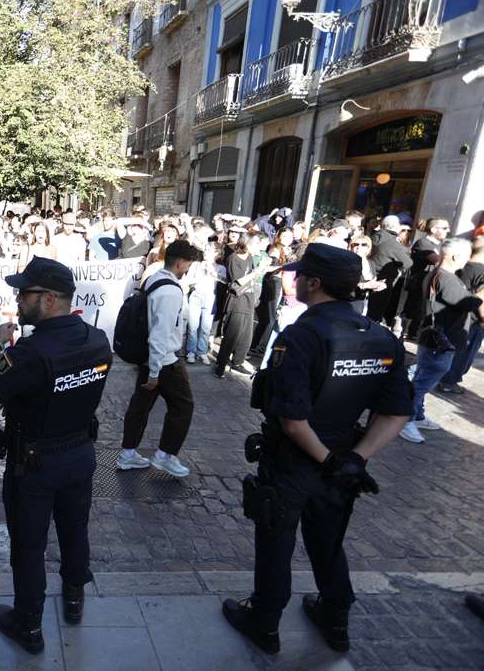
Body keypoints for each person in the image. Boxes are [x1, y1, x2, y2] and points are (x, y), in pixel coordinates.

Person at [222, 243, 412, 655]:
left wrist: (330, 459)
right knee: (328, 540)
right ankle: (335, 616)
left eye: (299, 275)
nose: (292, 280)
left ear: (315, 282)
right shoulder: (382, 337)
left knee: (276, 541)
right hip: (344, 460)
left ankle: (265, 621)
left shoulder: (303, 335)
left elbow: (292, 420)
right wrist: (355, 459)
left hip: (297, 461)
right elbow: (397, 412)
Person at [0, 257, 112, 654]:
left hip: (35, 464)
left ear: (49, 299)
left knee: (29, 545)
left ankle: (28, 624)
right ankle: (74, 599)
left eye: (24, 293)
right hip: (80, 455)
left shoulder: (30, 352)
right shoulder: (97, 339)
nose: (18, 298)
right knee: (75, 529)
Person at [118, 241, 203, 476]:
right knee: (183, 406)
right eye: (188, 263)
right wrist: (154, 372)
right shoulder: (170, 290)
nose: (189, 268)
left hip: (152, 358)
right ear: (180, 262)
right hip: (164, 362)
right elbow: (160, 334)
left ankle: (128, 454)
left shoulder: (155, 279)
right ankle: (165, 455)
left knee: (140, 407)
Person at [399, 238, 481, 443]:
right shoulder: (446, 278)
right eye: (466, 256)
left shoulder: (439, 274)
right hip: (440, 340)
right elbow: (468, 303)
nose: (467, 261)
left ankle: (416, 415)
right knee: (423, 381)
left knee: (425, 378)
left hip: (438, 338)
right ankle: (405, 420)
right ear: (456, 256)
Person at [215, 234, 269, 378]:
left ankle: (237, 362)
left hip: (248, 299)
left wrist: (261, 270)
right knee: (232, 335)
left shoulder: (250, 258)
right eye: (256, 244)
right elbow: (237, 281)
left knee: (246, 336)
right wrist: (258, 270)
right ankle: (220, 366)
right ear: (247, 243)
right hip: (237, 301)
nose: (259, 247)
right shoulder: (233, 258)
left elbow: (252, 278)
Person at [437, 235, 484, 394]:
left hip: (454, 319)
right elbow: (476, 301)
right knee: (461, 354)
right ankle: (448, 382)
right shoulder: (448, 275)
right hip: (467, 321)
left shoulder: (456, 269)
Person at [366, 215, 412, 329]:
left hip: (369, 275)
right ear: (395, 227)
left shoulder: (373, 236)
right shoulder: (392, 243)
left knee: (366, 308)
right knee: (375, 311)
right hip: (383, 280)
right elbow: (408, 263)